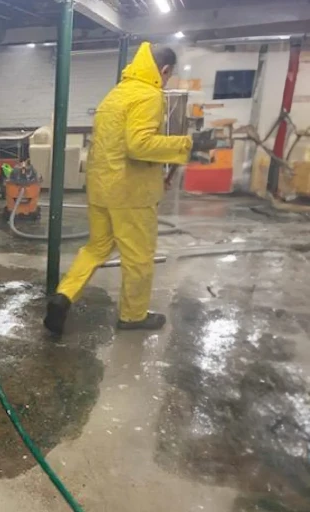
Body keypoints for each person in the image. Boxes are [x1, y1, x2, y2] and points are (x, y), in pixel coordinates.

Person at [44, 42, 217, 336]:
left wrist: (159, 170)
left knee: (96, 248)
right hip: (130, 195)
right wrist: (187, 143)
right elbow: (139, 145)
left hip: (101, 187)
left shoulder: (116, 94)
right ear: (163, 70)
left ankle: (63, 296)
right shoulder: (148, 96)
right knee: (138, 257)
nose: (166, 81)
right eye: (168, 75)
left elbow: (117, 145)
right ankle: (133, 315)